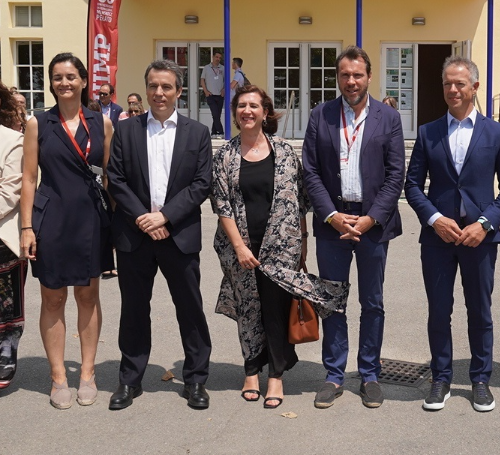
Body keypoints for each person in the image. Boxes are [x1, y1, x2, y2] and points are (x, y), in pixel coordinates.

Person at [212, 84, 349, 409]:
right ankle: (250, 371)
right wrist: (240, 247)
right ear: (235, 113)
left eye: (254, 106)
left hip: (281, 249)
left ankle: (275, 375)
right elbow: (221, 206)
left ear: (265, 112)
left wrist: (302, 243)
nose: (247, 111)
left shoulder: (285, 152)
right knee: (249, 311)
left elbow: (300, 203)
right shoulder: (225, 155)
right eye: (242, 106)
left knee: (274, 312)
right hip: (240, 249)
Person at [404, 56, 500, 412]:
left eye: (459, 84)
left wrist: (485, 224)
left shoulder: (498, 133)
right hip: (438, 238)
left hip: (479, 239)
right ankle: (441, 378)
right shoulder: (428, 132)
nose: (453, 90)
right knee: (439, 311)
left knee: (479, 311)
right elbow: (412, 186)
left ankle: (480, 379)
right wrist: (435, 218)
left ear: (474, 87)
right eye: (447, 84)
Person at [106, 59, 214, 411]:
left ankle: (196, 380)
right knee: (134, 309)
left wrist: (165, 216)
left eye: (167, 86)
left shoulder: (197, 133)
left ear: (179, 91)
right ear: (146, 88)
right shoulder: (126, 129)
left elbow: (201, 184)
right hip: (135, 236)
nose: (159, 93)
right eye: (153, 85)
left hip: (179, 234)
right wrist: (144, 218)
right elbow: (116, 179)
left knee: (190, 309)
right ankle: (130, 379)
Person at [303, 46, 405, 410]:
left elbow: (396, 175)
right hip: (333, 223)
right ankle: (333, 374)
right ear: (338, 77)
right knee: (332, 301)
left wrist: (371, 217)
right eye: (345, 75)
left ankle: (370, 373)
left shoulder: (388, 118)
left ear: (369, 76)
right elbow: (311, 171)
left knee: (372, 302)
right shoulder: (321, 115)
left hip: (372, 225)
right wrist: (331, 215)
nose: (351, 81)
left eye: (357, 75)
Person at [19, 53, 114, 409]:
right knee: (53, 298)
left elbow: (111, 178)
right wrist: (27, 227)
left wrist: (118, 224)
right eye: (58, 77)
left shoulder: (101, 122)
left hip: (91, 219)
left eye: (71, 76)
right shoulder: (38, 124)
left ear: (84, 81)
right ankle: (58, 376)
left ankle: (87, 373)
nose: (65, 83)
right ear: (51, 82)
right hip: (52, 219)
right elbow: (29, 178)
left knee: (88, 297)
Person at [0, 83, 27, 390]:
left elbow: (9, 192)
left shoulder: (12, 141)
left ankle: (6, 349)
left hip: (4, 238)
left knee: (6, 306)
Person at [201, 52, 225, 138]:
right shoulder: (207, 68)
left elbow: (226, 80)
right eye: (216, 57)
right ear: (213, 57)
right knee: (215, 114)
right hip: (210, 95)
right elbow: (202, 80)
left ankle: (214, 133)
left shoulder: (223, 68)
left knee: (217, 115)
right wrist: (206, 91)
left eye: (219, 58)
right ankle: (221, 132)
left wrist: (224, 89)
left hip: (220, 95)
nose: (218, 59)